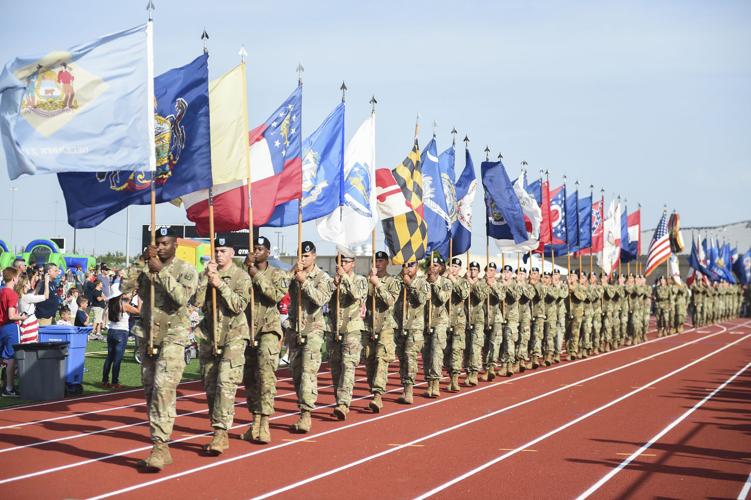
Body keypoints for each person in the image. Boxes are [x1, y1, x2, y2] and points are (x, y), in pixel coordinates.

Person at [121, 226, 198, 471]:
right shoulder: (146, 266)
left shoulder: (186, 270)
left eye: (165, 243)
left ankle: (159, 445)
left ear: (176, 245)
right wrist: (141, 260)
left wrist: (161, 272)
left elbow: (181, 298)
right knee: (149, 391)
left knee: (164, 389)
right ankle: (160, 442)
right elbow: (124, 286)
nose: (160, 247)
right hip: (147, 336)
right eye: (157, 243)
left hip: (173, 336)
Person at [194, 236, 251, 454]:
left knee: (226, 383)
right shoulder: (206, 275)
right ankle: (218, 427)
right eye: (216, 250)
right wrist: (206, 280)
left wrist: (220, 284)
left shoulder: (241, 276)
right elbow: (197, 303)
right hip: (210, 335)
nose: (218, 254)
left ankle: (220, 432)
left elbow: (239, 305)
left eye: (223, 251)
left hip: (233, 335)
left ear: (232, 253)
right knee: (209, 384)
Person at [242, 236, 288, 443]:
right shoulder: (243, 272)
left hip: (268, 329)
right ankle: (254, 420)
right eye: (253, 248)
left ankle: (265, 423)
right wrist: (246, 271)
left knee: (266, 376)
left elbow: (276, 295)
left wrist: (257, 275)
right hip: (246, 330)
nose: (256, 251)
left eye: (260, 248)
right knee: (249, 378)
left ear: (268, 252)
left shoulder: (278, 273)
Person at [286, 241, 334, 433]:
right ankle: (302, 406)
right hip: (295, 329)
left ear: (314, 256)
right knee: (296, 374)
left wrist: (304, 281)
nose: (303, 259)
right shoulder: (293, 272)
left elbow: (321, 299)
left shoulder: (323, 277)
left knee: (308, 372)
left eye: (306, 256)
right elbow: (279, 290)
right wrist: (292, 273)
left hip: (313, 329)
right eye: (300, 255)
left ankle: (306, 414)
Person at [327, 254, 367, 418]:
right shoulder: (333, 280)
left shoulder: (360, 280)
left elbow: (357, 295)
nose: (342, 264)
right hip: (334, 328)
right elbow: (323, 299)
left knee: (348, 365)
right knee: (336, 367)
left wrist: (345, 278)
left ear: (353, 263)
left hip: (352, 328)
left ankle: (344, 403)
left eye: (346, 261)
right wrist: (334, 284)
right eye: (340, 261)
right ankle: (339, 400)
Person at [364, 251, 400, 412]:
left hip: (385, 325)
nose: (378, 264)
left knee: (381, 359)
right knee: (369, 361)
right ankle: (374, 388)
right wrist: (369, 281)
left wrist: (378, 284)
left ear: (387, 263)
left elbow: (390, 301)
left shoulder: (393, 281)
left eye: (380, 261)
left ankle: (377, 395)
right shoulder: (367, 280)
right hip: (369, 325)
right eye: (375, 261)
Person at [394, 260, 429, 404]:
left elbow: (422, 299)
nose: (408, 268)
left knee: (410, 357)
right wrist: (401, 280)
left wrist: (410, 283)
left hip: (415, 326)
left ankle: (409, 389)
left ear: (417, 267)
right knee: (402, 358)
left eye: (411, 265)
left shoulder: (422, 282)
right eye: (406, 265)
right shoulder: (397, 280)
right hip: (399, 325)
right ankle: (404, 386)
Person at [422, 256, 452, 398]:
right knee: (426, 354)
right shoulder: (422, 281)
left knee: (437, 353)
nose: (433, 268)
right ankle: (429, 383)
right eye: (431, 265)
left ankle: (436, 383)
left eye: (436, 265)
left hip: (440, 321)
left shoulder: (446, 282)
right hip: (424, 321)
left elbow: (443, 298)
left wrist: (434, 284)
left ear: (441, 268)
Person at [101, 285, 138, 389]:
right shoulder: (124, 305)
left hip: (111, 331)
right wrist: (139, 299)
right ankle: (114, 382)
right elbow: (138, 311)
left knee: (109, 357)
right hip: (121, 332)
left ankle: (105, 380)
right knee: (117, 359)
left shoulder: (110, 304)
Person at [1, 267, 27, 397]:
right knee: (11, 358)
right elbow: (11, 315)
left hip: (1, 326)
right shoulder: (12, 293)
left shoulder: (1, 291)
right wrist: (22, 317)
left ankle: (6, 386)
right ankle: (9, 388)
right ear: (13, 278)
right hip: (10, 327)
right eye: (17, 276)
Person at [445, 257, 469, 392]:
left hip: (458, 321)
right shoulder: (443, 281)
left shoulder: (463, 282)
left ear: (460, 269)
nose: (453, 268)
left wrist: (453, 280)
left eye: (456, 266)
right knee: (446, 351)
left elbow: (464, 294)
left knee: (456, 349)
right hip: (444, 320)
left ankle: (454, 379)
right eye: (452, 266)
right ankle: (449, 374)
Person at [14, 272, 48, 343]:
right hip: (30, 325)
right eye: (29, 282)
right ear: (25, 285)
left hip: (24, 324)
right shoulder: (27, 297)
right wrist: (46, 283)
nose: (30, 284)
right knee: (31, 346)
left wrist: (41, 282)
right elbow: (46, 296)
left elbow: (34, 293)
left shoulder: (20, 296)